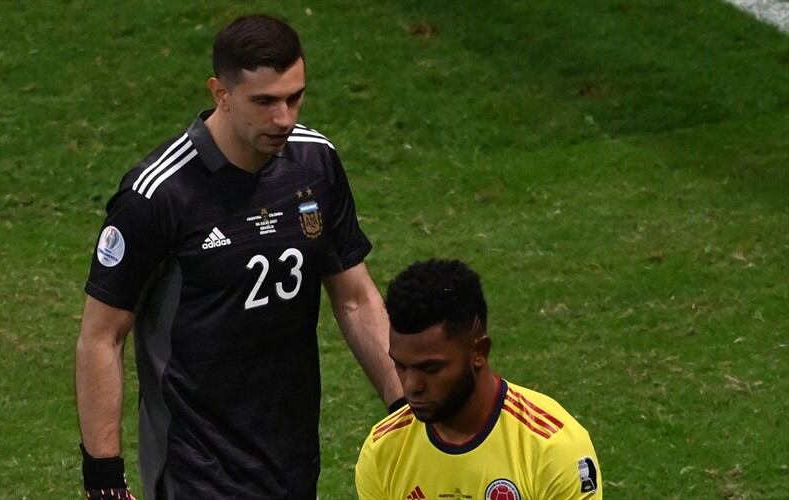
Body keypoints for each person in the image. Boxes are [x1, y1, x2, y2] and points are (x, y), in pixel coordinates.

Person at [75, 14, 402, 500]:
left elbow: (355, 298)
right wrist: (103, 476)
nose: (284, 118)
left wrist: (406, 408)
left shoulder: (315, 163)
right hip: (194, 462)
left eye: (295, 97)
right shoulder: (158, 195)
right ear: (220, 93)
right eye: (265, 102)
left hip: (290, 454)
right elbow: (101, 336)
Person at [356, 259, 602, 500]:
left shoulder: (551, 447)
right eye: (401, 365)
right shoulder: (383, 450)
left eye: (430, 368)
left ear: (479, 353)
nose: (410, 386)